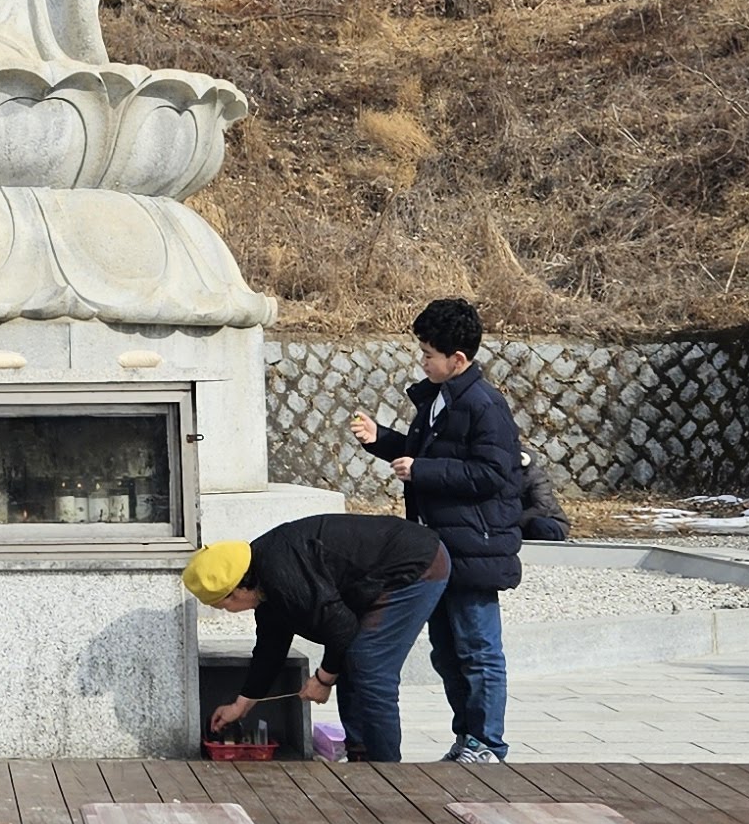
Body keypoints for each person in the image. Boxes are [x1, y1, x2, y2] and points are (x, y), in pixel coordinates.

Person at [353, 295, 522, 764]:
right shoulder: (441, 398)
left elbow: (494, 473)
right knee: (447, 654)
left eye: (429, 354)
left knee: (479, 650)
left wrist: (423, 471)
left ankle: (488, 743)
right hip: (439, 547)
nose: (422, 360)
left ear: (458, 359)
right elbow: (421, 452)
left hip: (475, 548)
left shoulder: (485, 405)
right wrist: (381, 440)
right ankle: (467, 738)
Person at [188, 511, 449, 766]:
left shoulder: (283, 576)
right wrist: (241, 704)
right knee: (353, 659)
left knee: (369, 663)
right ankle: (360, 756)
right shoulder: (263, 581)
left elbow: (342, 628)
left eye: (223, 606)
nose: (229, 612)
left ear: (236, 592)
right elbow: (271, 647)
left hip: (416, 565)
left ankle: (386, 768)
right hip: (378, 575)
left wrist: (323, 679)